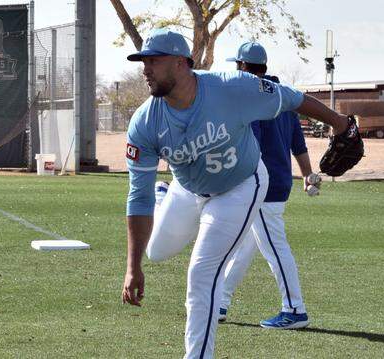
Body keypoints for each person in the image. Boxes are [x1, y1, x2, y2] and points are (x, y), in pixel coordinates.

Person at [122, 28, 358, 359]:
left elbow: (291, 98)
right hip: (187, 189)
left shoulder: (232, 87)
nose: (146, 69)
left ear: (180, 63)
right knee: (156, 253)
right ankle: (167, 199)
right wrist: (132, 267)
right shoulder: (145, 122)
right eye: (143, 61)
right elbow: (138, 198)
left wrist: (339, 123)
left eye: (154, 61)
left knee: (202, 275)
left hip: (239, 186)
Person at [218, 41, 316, 329]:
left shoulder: (252, 98)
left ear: (245, 68)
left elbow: (253, 146)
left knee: (274, 247)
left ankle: (295, 309)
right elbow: (298, 142)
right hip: (279, 181)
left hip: (262, 184)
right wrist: (307, 175)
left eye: (237, 65)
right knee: (246, 245)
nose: (235, 70)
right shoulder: (283, 96)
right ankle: (220, 302)